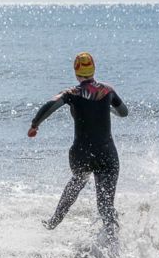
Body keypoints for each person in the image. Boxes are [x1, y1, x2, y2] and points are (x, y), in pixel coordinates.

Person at [28, 52, 129, 236]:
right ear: (94, 69)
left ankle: (53, 222)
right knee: (106, 205)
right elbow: (124, 112)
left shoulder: (72, 93)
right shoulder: (108, 90)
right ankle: (113, 242)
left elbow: (50, 105)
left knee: (77, 181)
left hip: (82, 153)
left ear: (76, 72)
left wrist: (35, 125)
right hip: (107, 153)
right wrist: (109, 109)